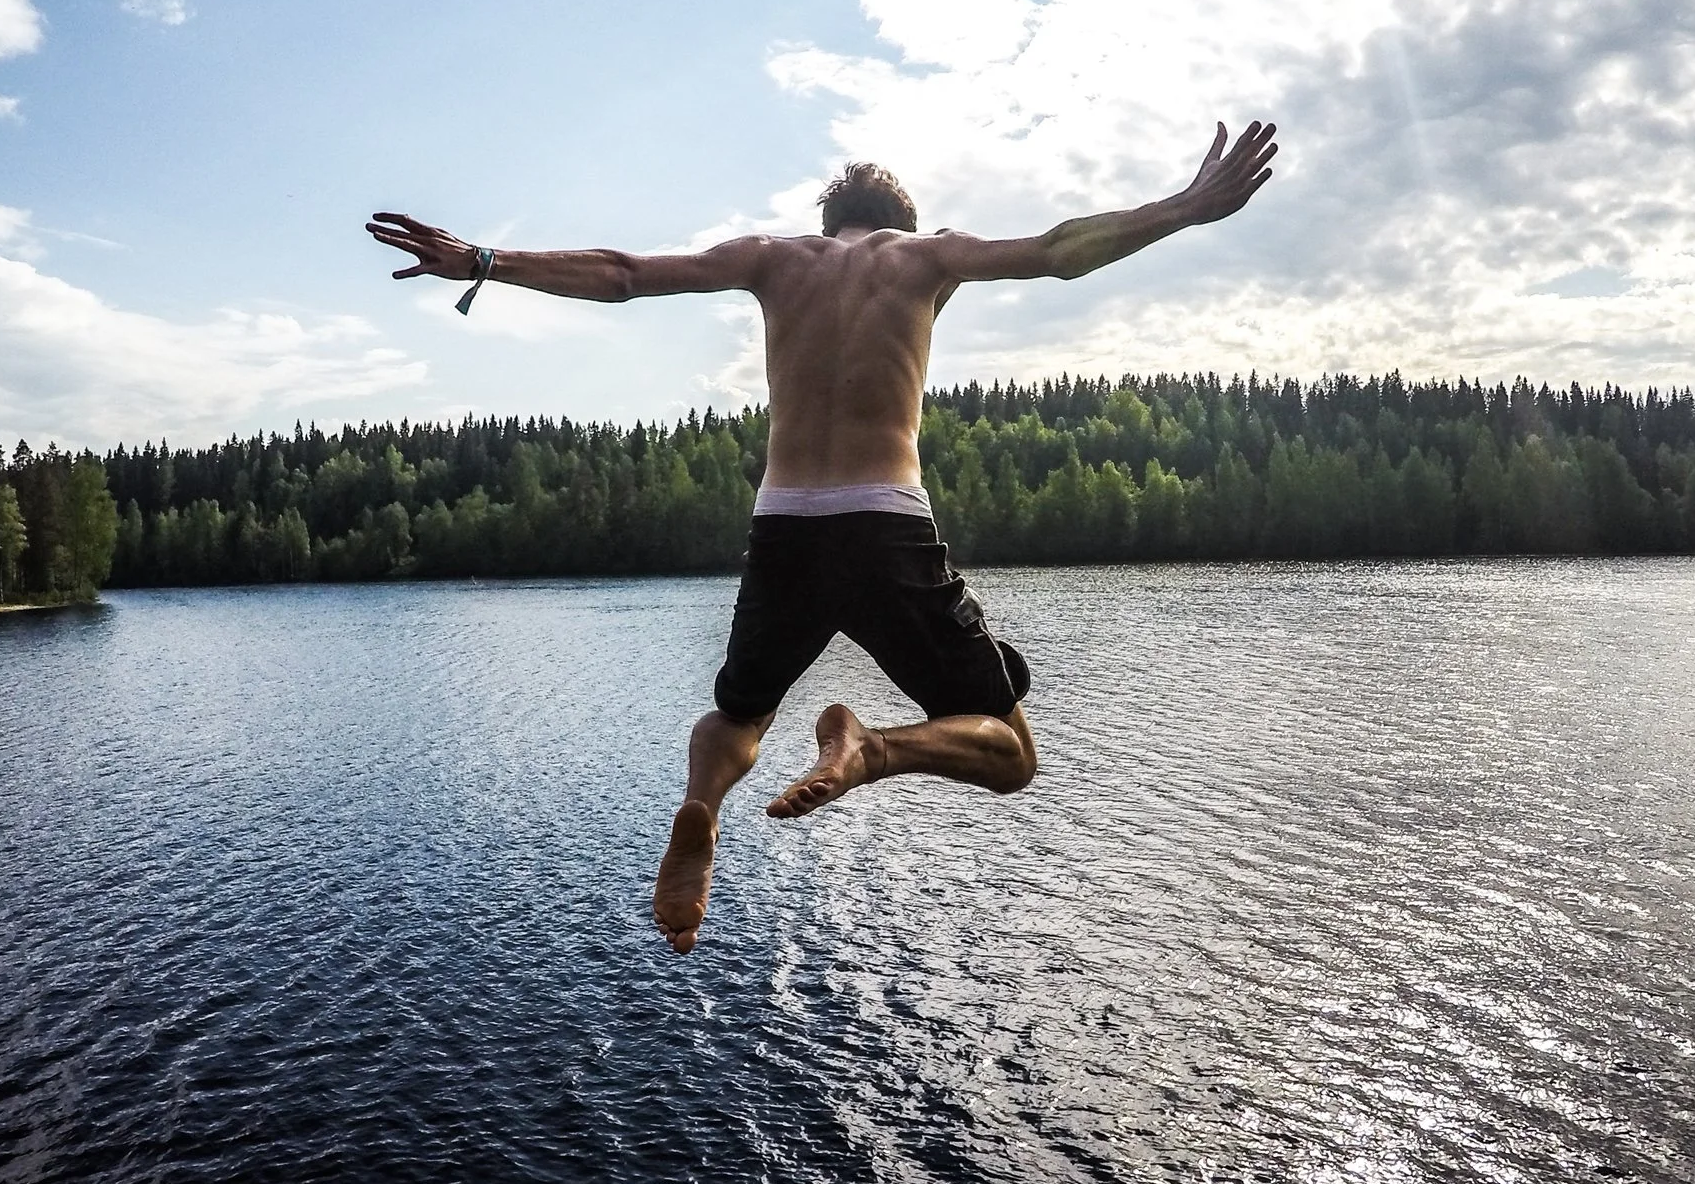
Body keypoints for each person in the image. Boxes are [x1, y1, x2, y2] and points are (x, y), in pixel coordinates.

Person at [368, 119, 1280, 952]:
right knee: (1011, 750)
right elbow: (1056, 253)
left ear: (831, 217)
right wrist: (1188, 208)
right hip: (887, 522)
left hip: (786, 526)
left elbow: (626, 275)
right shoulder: (928, 258)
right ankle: (872, 748)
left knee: (738, 714)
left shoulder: (772, 259)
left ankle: (701, 805)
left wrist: (483, 259)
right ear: (900, 221)